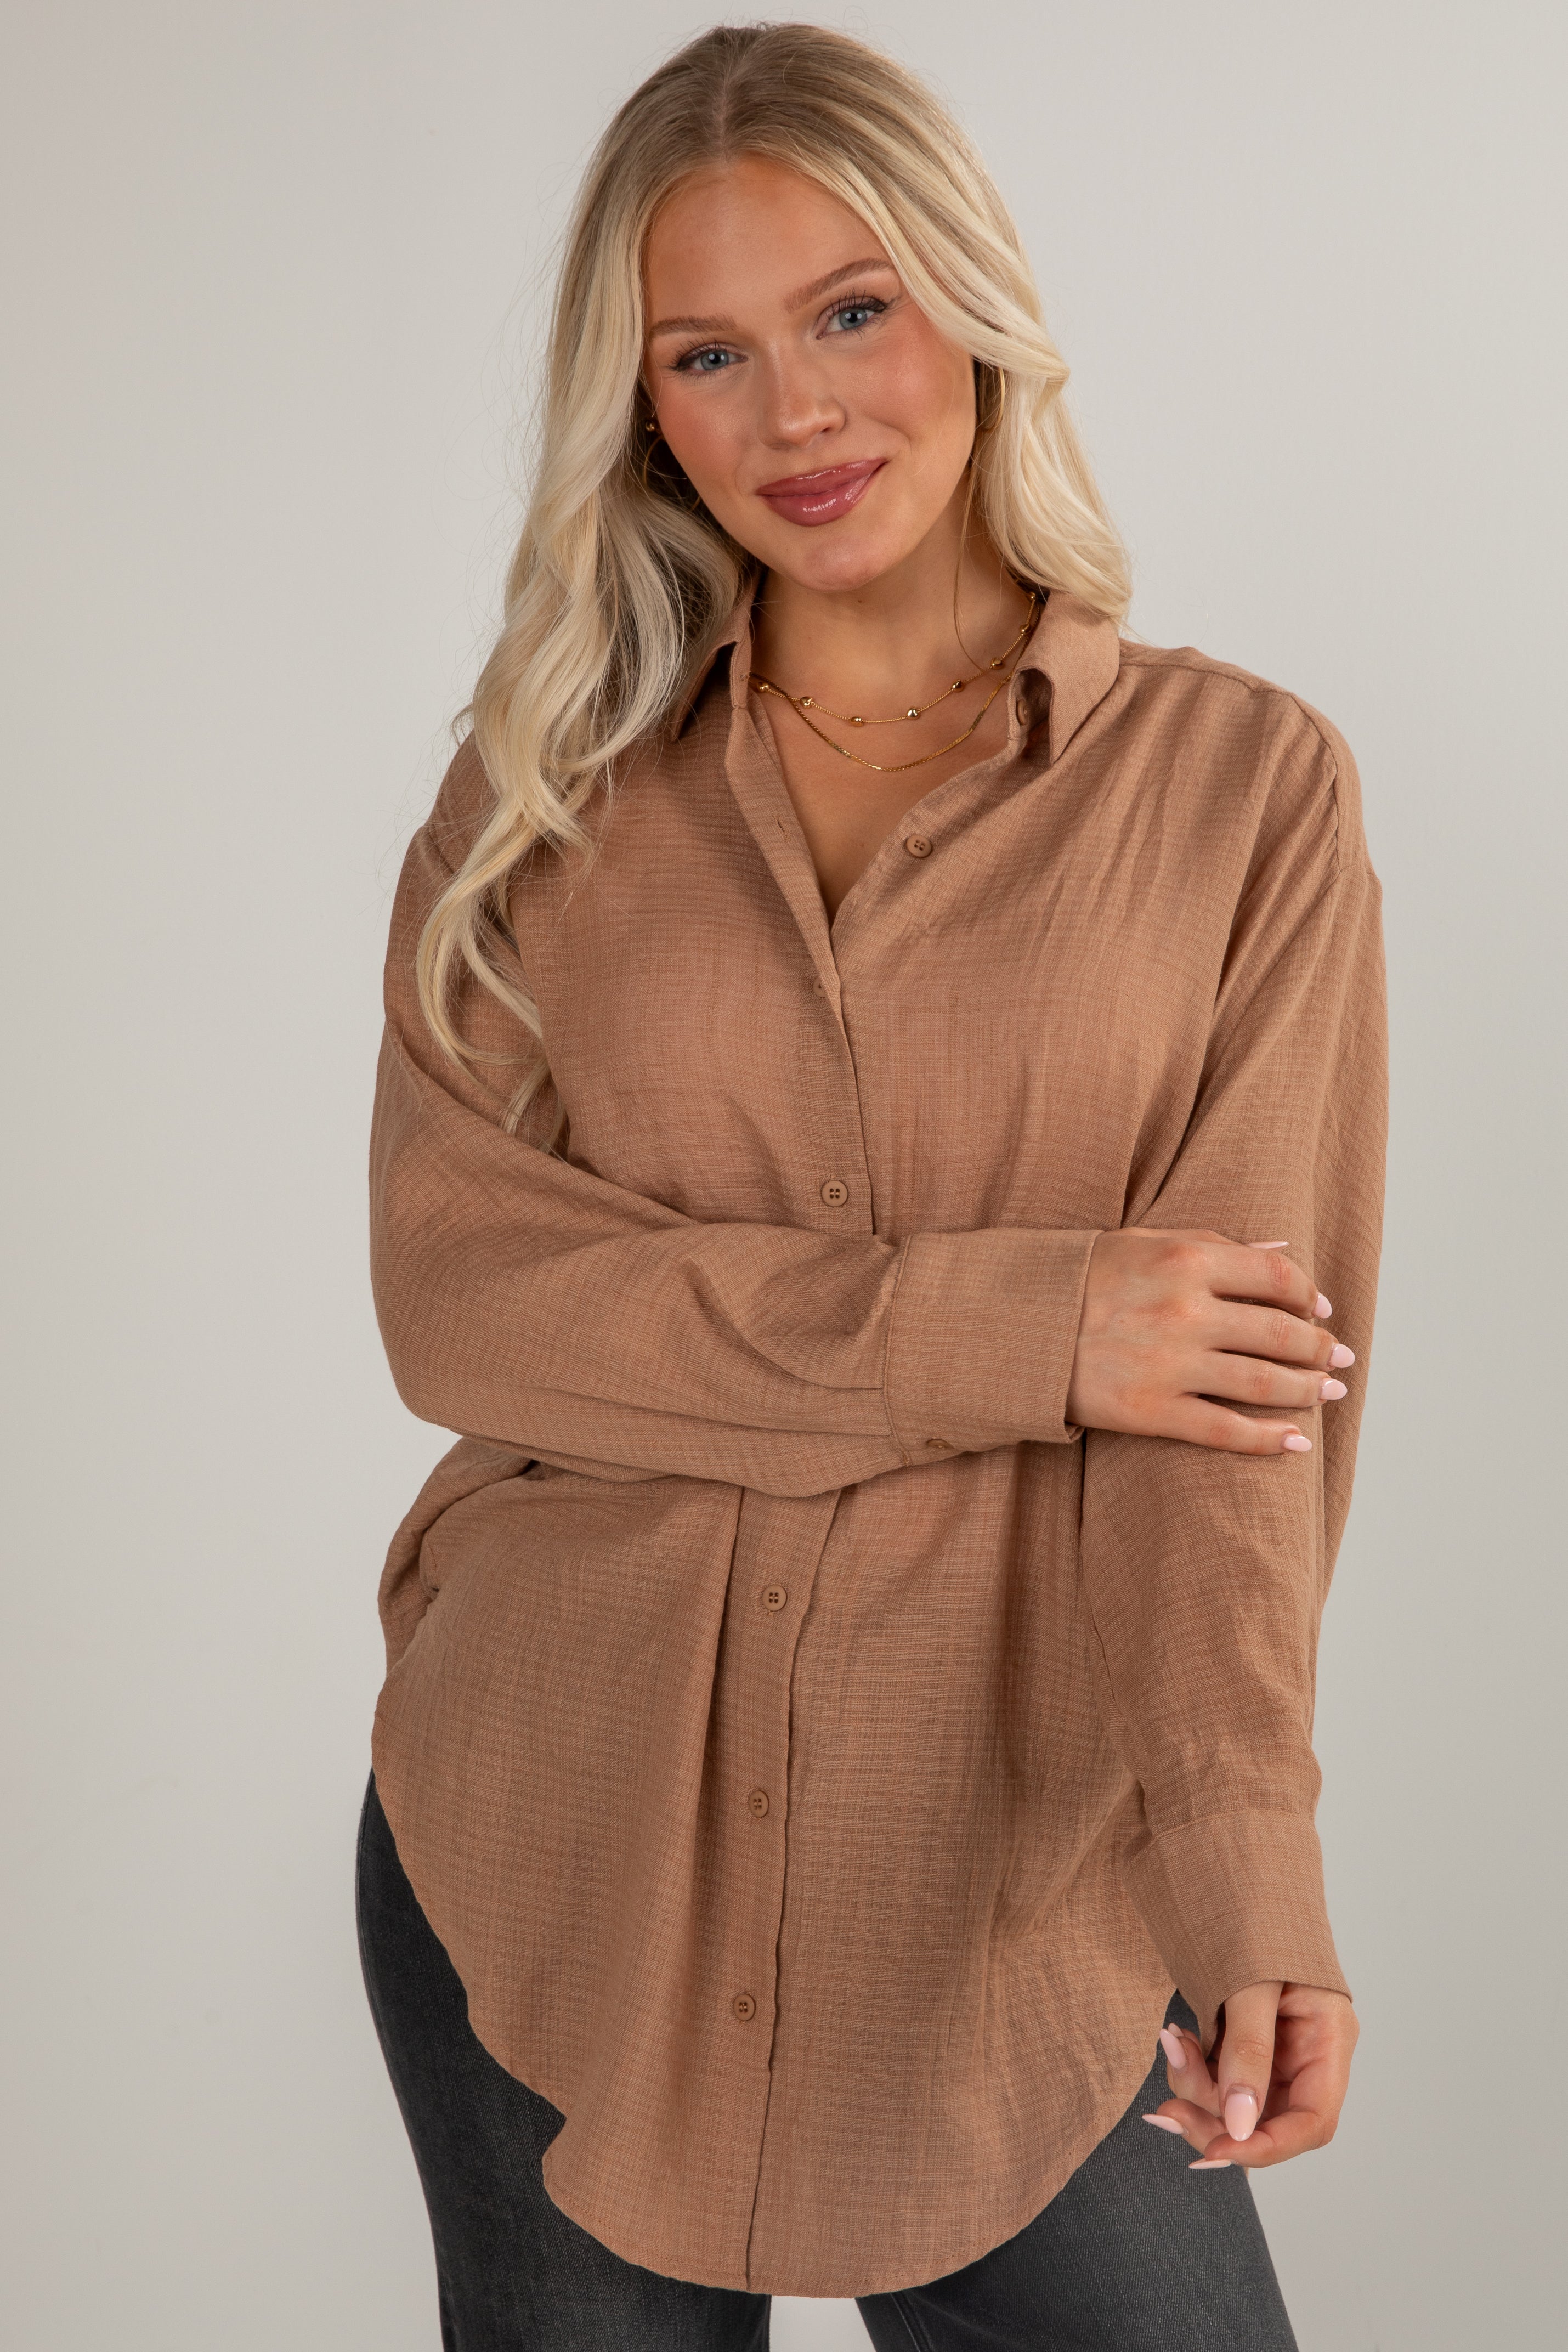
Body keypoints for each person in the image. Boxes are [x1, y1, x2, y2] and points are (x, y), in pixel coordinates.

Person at [356, 22, 1386, 2349]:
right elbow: (471, 1304)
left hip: (1012, 1876)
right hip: (553, 1832)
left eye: (849, 311)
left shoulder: (1240, 797)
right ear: (639, 411)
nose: (795, 415)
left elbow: (1238, 1394)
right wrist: (1027, 1327)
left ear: (972, 305)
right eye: (703, 354)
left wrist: (1247, 1866)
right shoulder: (540, 804)